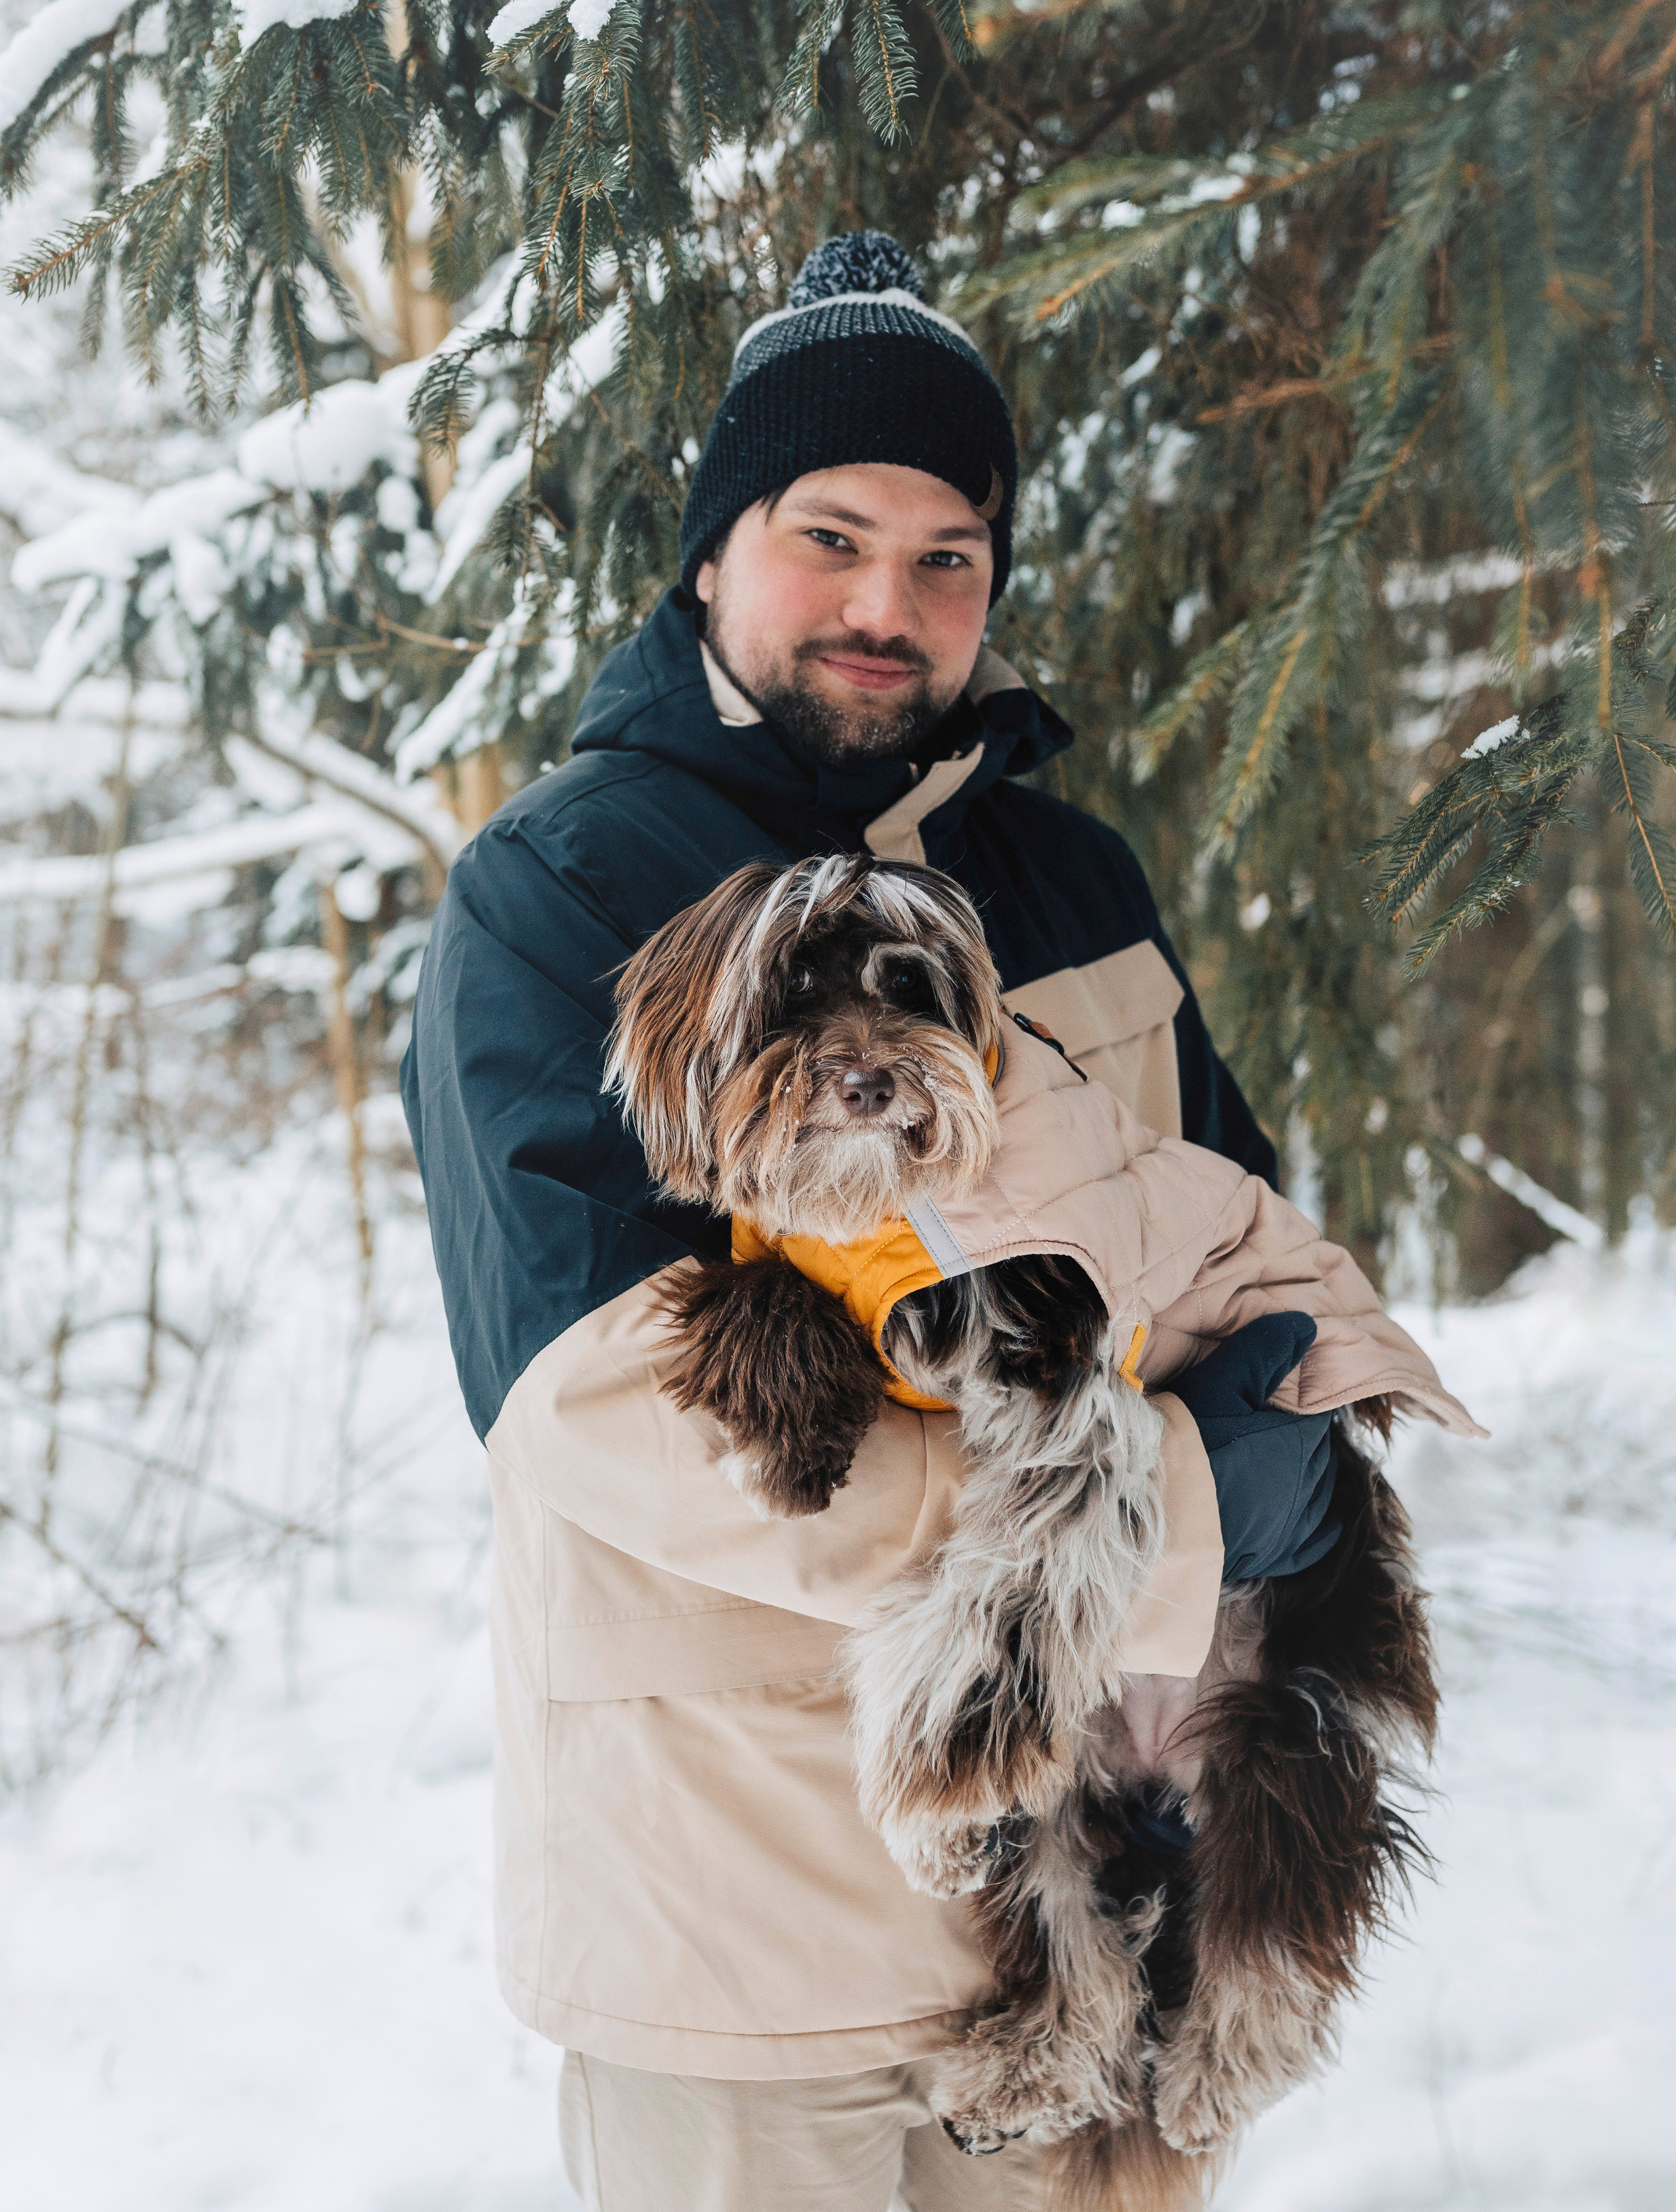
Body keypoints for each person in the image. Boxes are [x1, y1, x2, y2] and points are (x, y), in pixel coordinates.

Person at [402, 234, 1330, 2212]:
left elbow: (1235, 1227)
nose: (884, 606)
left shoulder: (1071, 876)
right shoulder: (563, 886)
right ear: (719, 548)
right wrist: (1161, 1530)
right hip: (739, 1922)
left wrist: (1300, 1433)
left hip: (1095, 1928)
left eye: (946, 558)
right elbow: (602, 1402)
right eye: (831, 536)